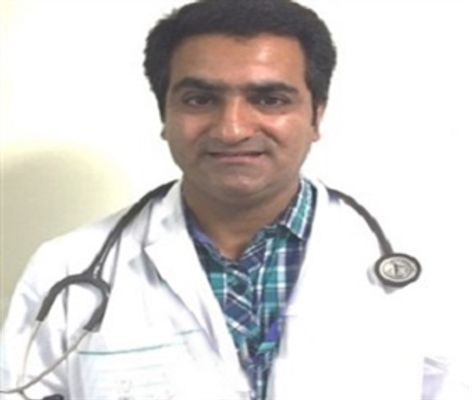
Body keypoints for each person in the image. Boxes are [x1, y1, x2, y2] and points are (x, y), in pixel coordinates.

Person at [1, 1, 470, 399]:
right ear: (165, 115)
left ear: (316, 116)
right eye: (200, 100)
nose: (232, 129)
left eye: (270, 100)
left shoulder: (429, 271)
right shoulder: (67, 270)